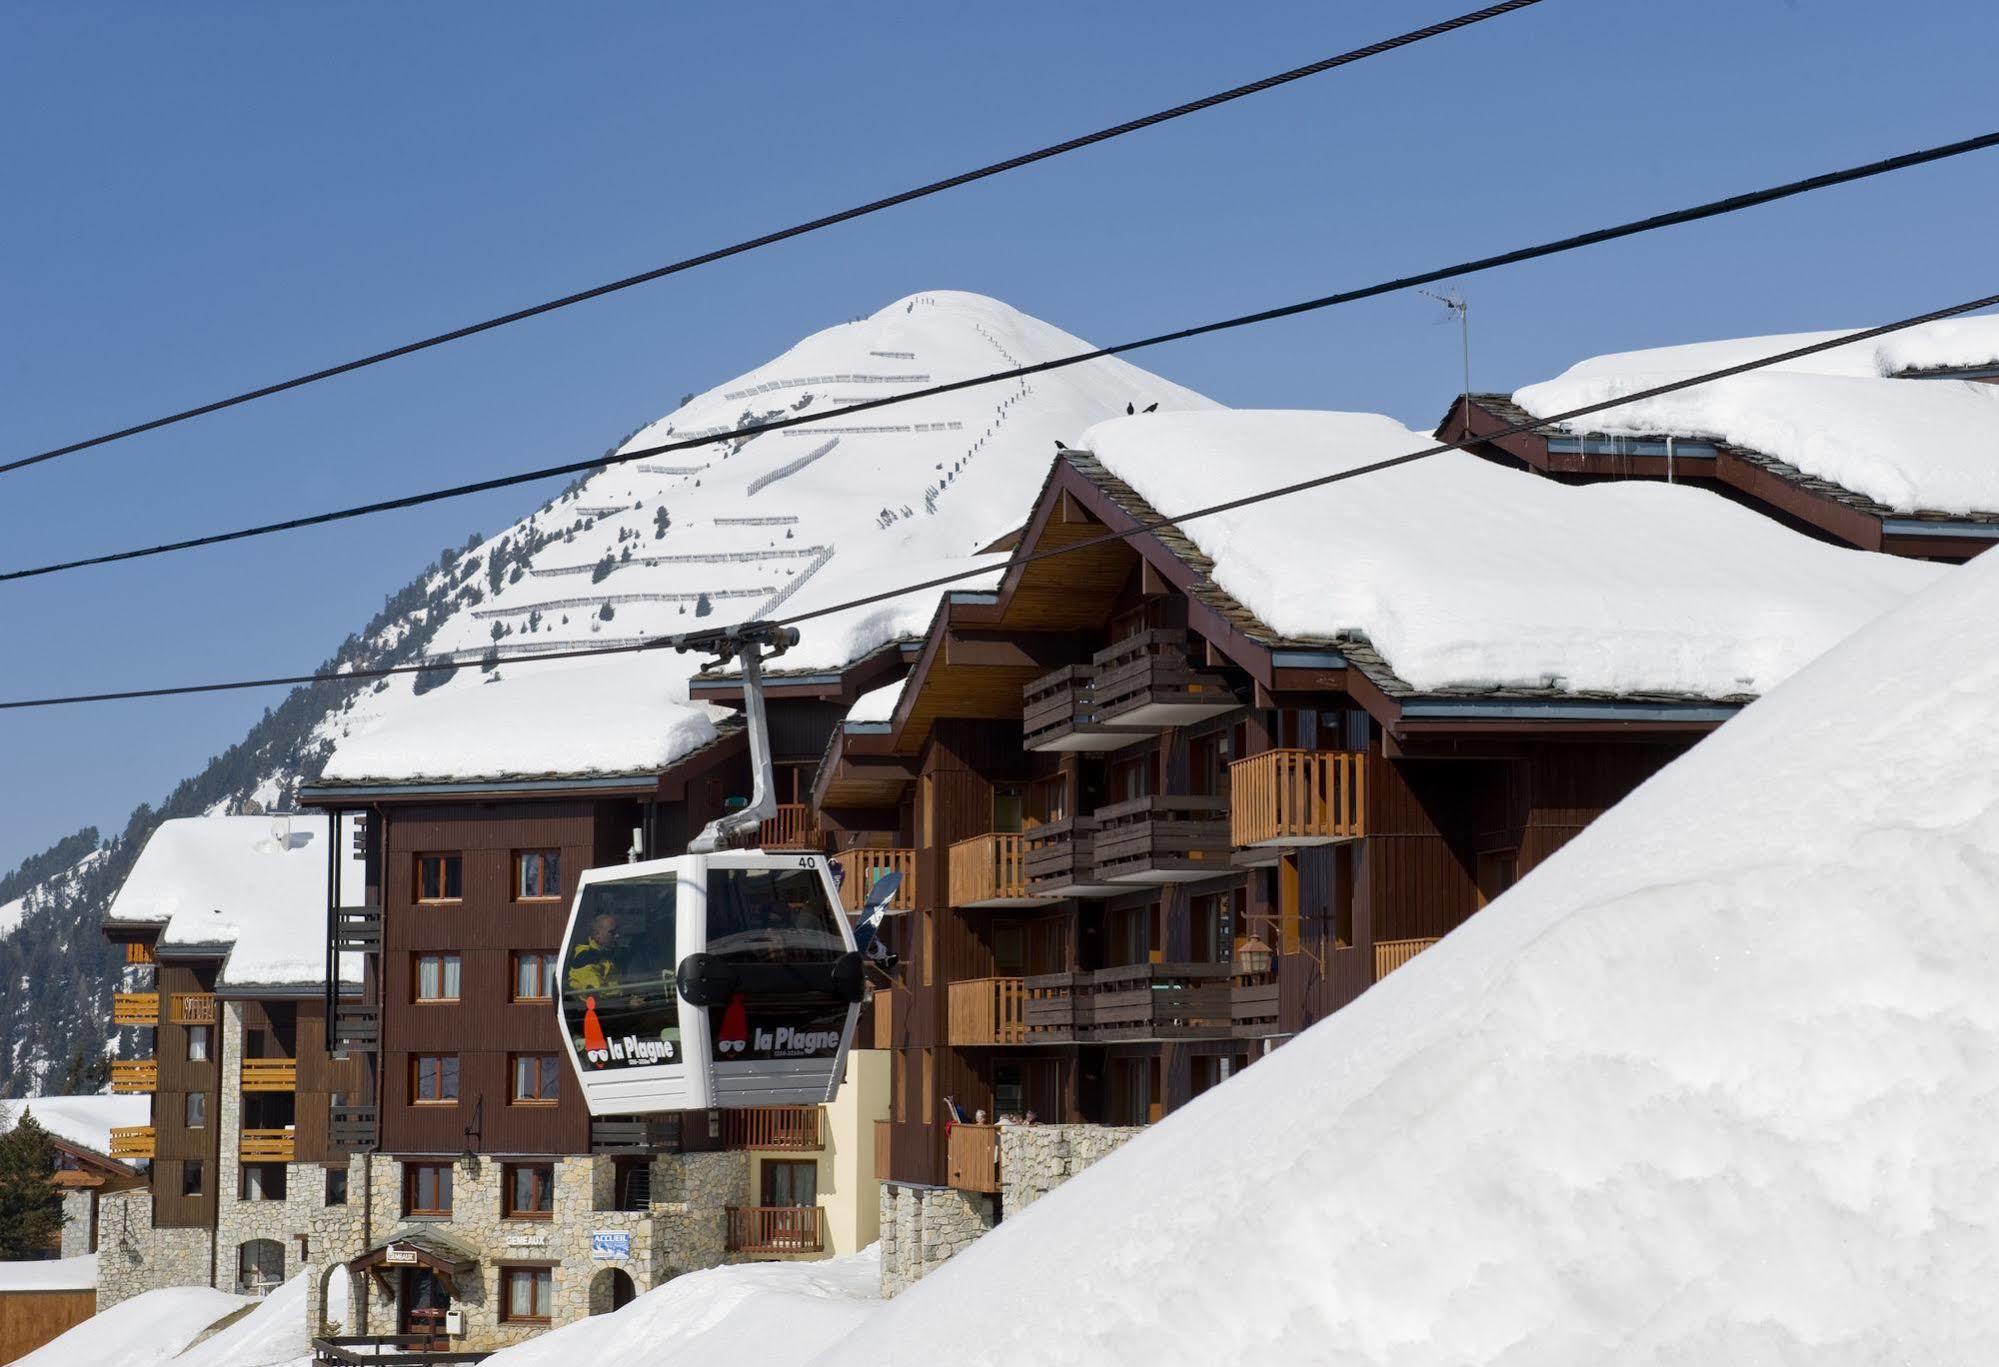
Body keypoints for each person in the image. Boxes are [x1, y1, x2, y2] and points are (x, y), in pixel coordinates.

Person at [567, 909, 623, 994]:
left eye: (617, 931)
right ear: (597, 935)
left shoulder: (610, 954)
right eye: (612, 932)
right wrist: (625, 999)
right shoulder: (585, 957)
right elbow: (598, 992)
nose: (617, 935)